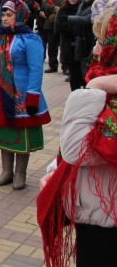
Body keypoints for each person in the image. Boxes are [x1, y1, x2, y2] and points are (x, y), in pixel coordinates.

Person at [37, 83, 117, 267]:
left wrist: (95, 85)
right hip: (95, 214)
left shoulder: (102, 82)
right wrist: (57, 172)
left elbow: (75, 149)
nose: (96, 52)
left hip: (106, 222)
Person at [0, 0, 50, 190]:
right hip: (2, 94)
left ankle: (20, 173)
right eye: (3, 14)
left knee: (22, 131)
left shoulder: (30, 39)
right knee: (4, 131)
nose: (4, 18)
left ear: (20, 16)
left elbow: (36, 69)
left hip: (22, 94)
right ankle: (6, 171)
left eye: (9, 14)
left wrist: (32, 96)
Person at [55, 0, 82, 91]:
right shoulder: (63, 9)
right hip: (68, 43)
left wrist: (71, 23)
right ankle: (74, 92)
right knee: (73, 71)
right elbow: (58, 26)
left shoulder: (81, 8)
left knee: (81, 70)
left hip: (80, 43)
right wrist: (72, 26)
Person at [43, 0, 69, 74]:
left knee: (64, 46)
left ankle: (65, 66)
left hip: (64, 22)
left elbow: (71, 3)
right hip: (51, 22)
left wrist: (61, 10)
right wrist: (55, 9)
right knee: (52, 45)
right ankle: (52, 65)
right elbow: (45, 4)